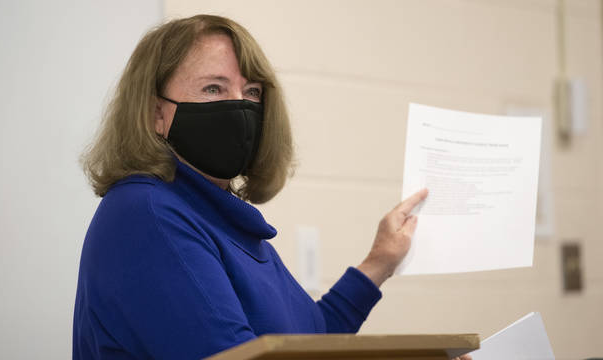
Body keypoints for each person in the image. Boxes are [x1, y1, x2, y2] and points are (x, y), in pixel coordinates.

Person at [73, 14, 470, 360]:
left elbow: (312, 341)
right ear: (156, 113)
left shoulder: (221, 217)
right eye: (214, 88)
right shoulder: (148, 215)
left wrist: (380, 262)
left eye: (252, 93)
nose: (241, 107)